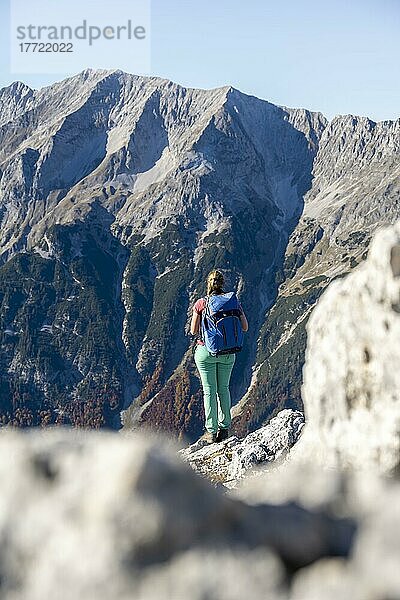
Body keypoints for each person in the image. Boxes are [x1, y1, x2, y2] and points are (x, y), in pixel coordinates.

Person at [190, 270, 248, 443]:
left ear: (208, 284)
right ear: (223, 283)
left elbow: (193, 331)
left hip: (205, 352)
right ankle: (224, 428)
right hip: (228, 353)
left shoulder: (201, 303)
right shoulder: (233, 302)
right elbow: (244, 327)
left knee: (209, 391)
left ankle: (212, 431)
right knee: (223, 388)